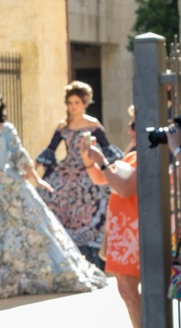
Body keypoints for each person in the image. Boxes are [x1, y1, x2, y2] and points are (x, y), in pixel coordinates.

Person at [0, 89, 106, 298]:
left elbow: (20, 155)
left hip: (9, 187)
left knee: (30, 233)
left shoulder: (5, 129)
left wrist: (36, 178)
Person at [81, 108, 143, 328]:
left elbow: (125, 188)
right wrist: (89, 159)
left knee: (136, 296)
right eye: (131, 124)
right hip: (123, 235)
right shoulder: (132, 152)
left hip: (136, 236)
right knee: (127, 294)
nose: (131, 130)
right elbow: (102, 178)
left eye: (135, 124)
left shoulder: (148, 155)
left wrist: (101, 159)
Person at [36, 82, 121, 268]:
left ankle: (93, 255)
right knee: (49, 197)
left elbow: (107, 150)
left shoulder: (93, 124)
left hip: (88, 171)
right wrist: (36, 168)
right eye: (69, 102)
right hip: (67, 169)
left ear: (84, 103)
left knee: (98, 203)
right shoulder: (63, 126)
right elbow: (51, 149)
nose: (72, 106)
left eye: (76, 102)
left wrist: (112, 171)